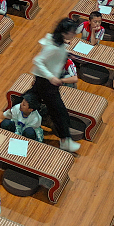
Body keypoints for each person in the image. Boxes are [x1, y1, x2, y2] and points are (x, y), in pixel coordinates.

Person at [31, 18, 82, 152]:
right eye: (72, 33)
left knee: (32, 95)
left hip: (44, 80)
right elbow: (37, 60)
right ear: (64, 33)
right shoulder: (53, 47)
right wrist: (51, 77)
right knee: (60, 113)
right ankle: (66, 141)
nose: (74, 35)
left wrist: (67, 54)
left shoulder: (56, 41)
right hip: (47, 83)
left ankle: (12, 110)